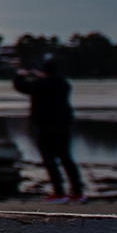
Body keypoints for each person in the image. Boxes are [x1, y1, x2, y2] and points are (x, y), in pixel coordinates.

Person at [14, 57, 84, 202]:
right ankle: (78, 192)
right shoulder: (65, 84)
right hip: (64, 127)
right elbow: (52, 82)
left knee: (50, 161)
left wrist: (19, 75)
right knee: (67, 160)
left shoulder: (40, 85)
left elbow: (22, 87)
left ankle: (59, 193)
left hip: (46, 128)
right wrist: (41, 77)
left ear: (44, 71)